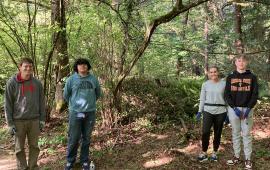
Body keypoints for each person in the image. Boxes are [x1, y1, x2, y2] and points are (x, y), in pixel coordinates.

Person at [4, 57, 45, 170]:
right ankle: (22, 167)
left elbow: (42, 101)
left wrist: (42, 120)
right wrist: (10, 124)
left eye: (30, 67)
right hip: (18, 121)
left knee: (34, 147)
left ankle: (33, 167)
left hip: (34, 120)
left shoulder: (37, 83)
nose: (28, 69)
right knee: (19, 149)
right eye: (25, 66)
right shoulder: (12, 83)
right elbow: (7, 104)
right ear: (20, 67)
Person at [64, 58, 101, 170]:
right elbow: (66, 95)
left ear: (88, 66)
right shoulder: (71, 79)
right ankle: (70, 161)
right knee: (74, 138)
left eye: (85, 64)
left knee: (86, 138)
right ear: (77, 67)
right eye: (80, 64)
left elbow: (98, 94)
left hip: (90, 113)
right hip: (76, 113)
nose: (83, 66)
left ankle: (84, 161)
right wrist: (74, 105)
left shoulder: (93, 79)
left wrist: (89, 104)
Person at [224, 55, 258, 170]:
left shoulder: (252, 77)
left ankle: (248, 158)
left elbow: (255, 94)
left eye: (243, 61)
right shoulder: (230, 77)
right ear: (235, 62)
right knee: (235, 133)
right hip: (234, 110)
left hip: (247, 109)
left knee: (247, 134)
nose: (241, 63)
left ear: (247, 62)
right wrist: (234, 108)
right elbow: (227, 95)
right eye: (239, 61)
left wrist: (248, 109)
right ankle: (237, 156)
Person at [196, 66, 227, 162]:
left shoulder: (224, 84)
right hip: (208, 110)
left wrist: (228, 113)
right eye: (211, 72)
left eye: (215, 72)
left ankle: (214, 152)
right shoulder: (205, 84)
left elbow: (227, 99)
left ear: (218, 72)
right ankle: (204, 152)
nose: (213, 74)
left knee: (217, 133)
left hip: (221, 111)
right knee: (205, 132)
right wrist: (199, 111)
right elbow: (202, 99)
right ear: (208, 74)